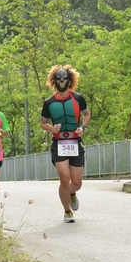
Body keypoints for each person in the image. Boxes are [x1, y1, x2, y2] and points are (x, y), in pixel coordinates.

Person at [40, 65, 91, 223]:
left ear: (70, 81)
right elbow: (43, 123)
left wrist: (83, 127)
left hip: (75, 141)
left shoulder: (78, 98)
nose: (62, 81)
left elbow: (87, 113)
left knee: (76, 182)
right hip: (59, 143)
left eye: (64, 79)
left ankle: (72, 192)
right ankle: (67, 211)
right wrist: (51, 129)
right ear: (54, 81)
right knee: (64, 178)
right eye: (59, 79)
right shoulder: (49, 102)